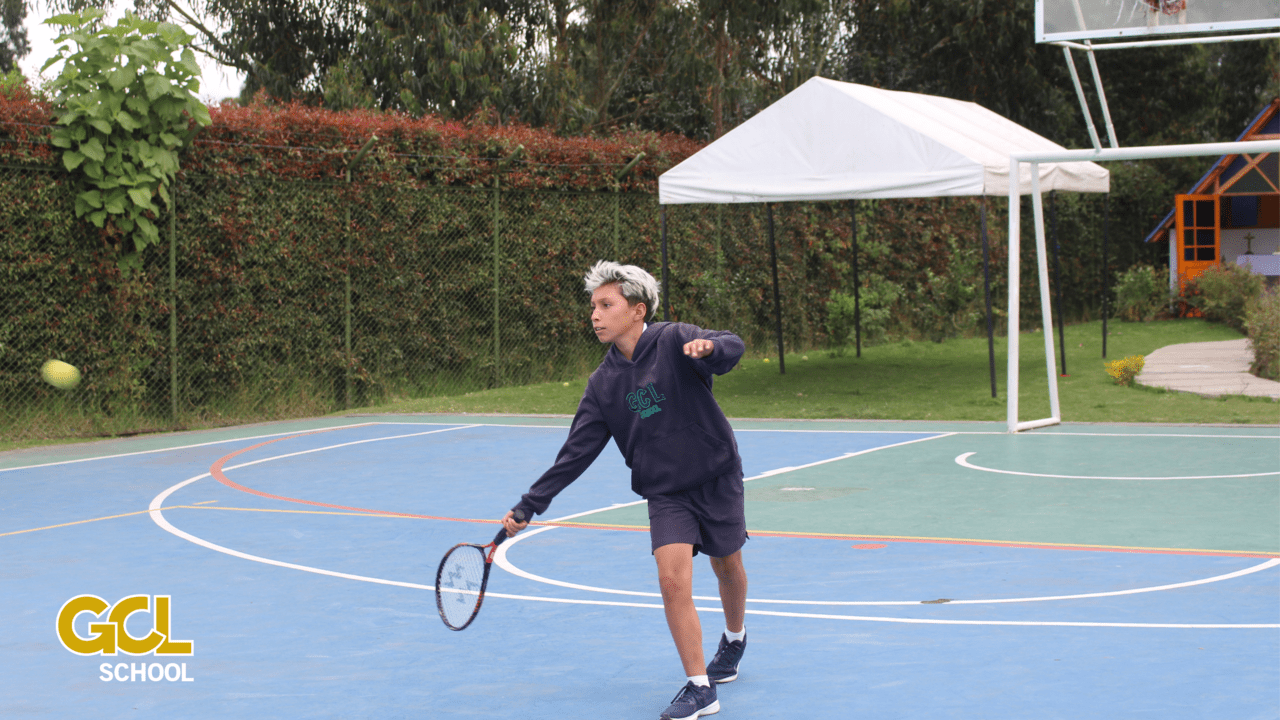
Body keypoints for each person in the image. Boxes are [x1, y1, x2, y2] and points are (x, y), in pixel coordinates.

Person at [501, 260, 749, 720]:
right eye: (593, 306)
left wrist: (710, 347)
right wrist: (529, 504)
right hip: (666, 492)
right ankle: (699, 688)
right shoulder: (603, 385)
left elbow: (732, 347)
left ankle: (734, 639)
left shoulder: (675, 339)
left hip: (716, 475)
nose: (594, 314)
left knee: (727, 564)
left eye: (605, 304)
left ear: (636, 311)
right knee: (671, 579)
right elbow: (575, 453)